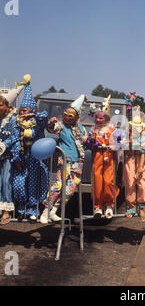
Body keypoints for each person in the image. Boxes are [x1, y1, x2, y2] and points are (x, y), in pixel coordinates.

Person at [40, 94, 88, 224]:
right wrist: (51, 123)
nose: (66, 117)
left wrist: (88, 139)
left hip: (77, 162)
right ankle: (45, 212)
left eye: (70, 116)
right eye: (65, 114)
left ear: (77, 117)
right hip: (65, 160)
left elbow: (85, 141)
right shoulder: (61, 126)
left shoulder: (81, 129)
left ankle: (53, 211)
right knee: (59, 185)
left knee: (69, 189)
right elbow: (52, 129)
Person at [12, 75, 49, 223]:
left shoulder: (37, 122)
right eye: (21, 111)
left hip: (35, 158)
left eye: (25, 110)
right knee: (19, 183)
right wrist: (17, 158)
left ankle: (33, 210)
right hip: (22, 157)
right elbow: (15, 140)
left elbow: (44, 117)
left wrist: (33, 113)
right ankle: (21, 209)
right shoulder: (17, 123)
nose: (23, 113)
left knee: (34, 183)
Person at [85, 96, 120, 219]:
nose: (99, 120)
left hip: (109, 157)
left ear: (106, 118)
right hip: (97, 156)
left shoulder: (113, 129)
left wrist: (114, 146)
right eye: (97, 118)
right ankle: (97, 206)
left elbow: (119, 141)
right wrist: (92, 141)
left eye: (102, 118)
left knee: (108, 181)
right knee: (97, 181)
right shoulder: (93, 130)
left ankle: (109, 205)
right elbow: (88, 143)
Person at [0, 82, 24, 225]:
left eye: (0, 105)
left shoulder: (13, 118)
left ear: (7, 106)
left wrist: (3, 144)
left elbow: (15, 135)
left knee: (6, 181)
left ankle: (7, 210)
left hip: (8, 156)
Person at [121, 107, 145, 221]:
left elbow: (143, 152)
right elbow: (125, 150)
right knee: (130, 183)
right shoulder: (127, 136)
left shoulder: (144, 136)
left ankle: (141, 206)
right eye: (134, 127)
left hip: (140, 160)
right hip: (130, 159)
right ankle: (131, 207)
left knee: (141, 182)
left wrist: (140, 168)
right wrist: (129, 143)